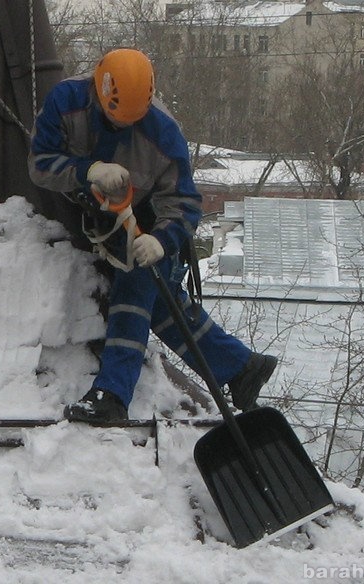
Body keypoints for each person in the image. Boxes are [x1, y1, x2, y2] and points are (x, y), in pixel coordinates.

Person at [28, 48, 277, 422]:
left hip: (147, 219)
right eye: (114, 121)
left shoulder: (163, 132)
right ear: (99, 90)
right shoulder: (66, 101)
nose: (122, 128)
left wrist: (161, 240)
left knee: (135, 290)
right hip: (93, 208)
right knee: (158, 303)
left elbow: (185, 202)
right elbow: (40, 164)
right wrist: (87, 170)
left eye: (131, 121)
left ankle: (112, 394)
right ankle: (241, 367)